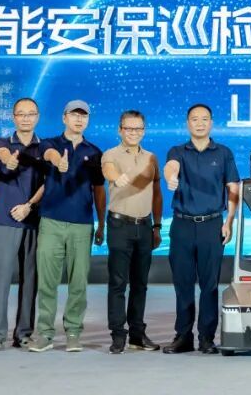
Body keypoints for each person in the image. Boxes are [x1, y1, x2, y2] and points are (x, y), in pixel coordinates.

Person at [28, 100, 105, 353]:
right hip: (51, 222)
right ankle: (45, 333)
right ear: (64, 118)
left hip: (82, 225)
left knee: (78, 282)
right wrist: (57, 161)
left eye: (84, 116)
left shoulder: (94, 152)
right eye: (74, 115)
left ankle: (73, 332)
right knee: (47, 282)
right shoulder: (50, 143)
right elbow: (48, 154)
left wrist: (101, 223)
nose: (79, 119)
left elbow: (98, 190)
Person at [162, 103, 240, 355]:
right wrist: (170, 177)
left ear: (211, 123)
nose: (199, 123)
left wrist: (229, 222)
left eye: (204, 119)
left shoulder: (223, 153)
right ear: (188, 123)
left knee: (209, 285)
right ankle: (183, 336)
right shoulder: (177, 151)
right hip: (182, 225)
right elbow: (171, 166)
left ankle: (207, 337)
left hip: (212, 225)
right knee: (183, 284)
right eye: (194, 119)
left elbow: (233, 188)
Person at [0, 97, 45, 351]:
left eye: (31, 114)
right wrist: (8, 159)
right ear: (13, 117)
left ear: (37, 117)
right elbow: (0, 154)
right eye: (21, 114)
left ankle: (24, 333)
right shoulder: (2, 143)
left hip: (34, 222)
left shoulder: (46, 148)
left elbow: (48, 183)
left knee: (30, 281)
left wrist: (29, 205)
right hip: (4, 221)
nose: (26, 118)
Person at [102, 109, 163, 354]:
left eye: (138, 129)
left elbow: (157, 193)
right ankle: (118, 334)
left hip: (145, 226)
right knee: (118, 282)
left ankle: (137, 334)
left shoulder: (151, 158)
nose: (133, 133)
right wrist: (117, 178)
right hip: (120, 225)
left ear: (144, 131)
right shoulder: (111, 154)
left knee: (140, 284)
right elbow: (108, 170)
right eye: (129, 128)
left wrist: (157, 226)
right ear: (120, 130)